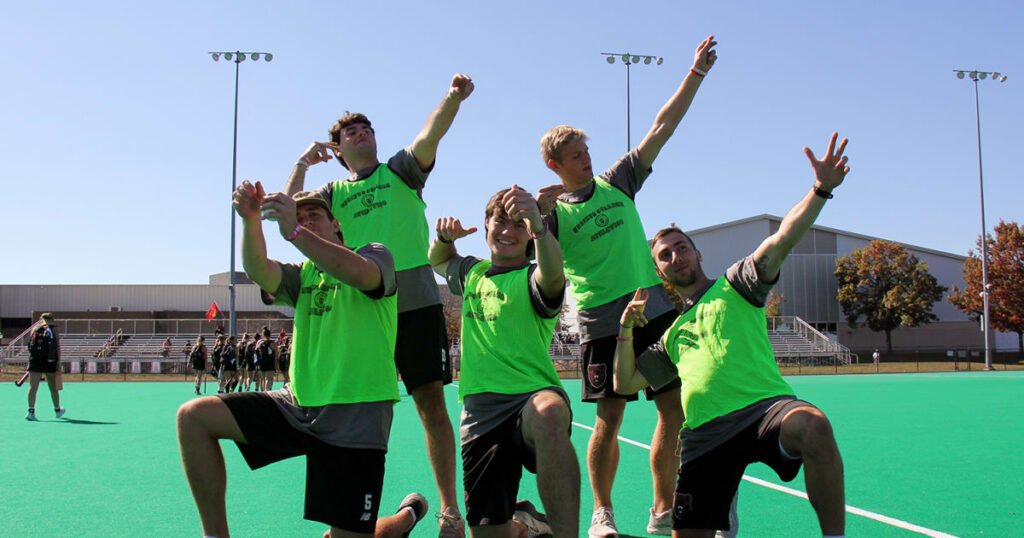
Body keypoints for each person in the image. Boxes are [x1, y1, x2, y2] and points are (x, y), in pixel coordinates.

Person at [614, 133, 851, 537]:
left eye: (681, 247)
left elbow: (783, 238)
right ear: (659, 272)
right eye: (665, 255)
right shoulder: (672, 335)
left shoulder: (738, 284)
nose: (675, 257)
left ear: (697, 252)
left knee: (813, 425)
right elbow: (625, 381)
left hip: (765, 411)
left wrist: (820, 189)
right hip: (705, 436)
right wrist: (623, 330)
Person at [534, 36, 718, 537]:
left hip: (654, 309)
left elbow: (663, 126)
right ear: (555, 164)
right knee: (608, 421)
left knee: (673, 412)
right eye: (573, 156)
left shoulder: (619, 182)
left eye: (585, 151)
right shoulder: (551, 213)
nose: (585, 160)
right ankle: (603, 513)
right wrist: (535, 215)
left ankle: (662, 508)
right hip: (602, 321)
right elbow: (543, 263)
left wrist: (695, 74)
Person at [283, 73, 475, 536]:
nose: (361, 132)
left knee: (432, 405)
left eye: (366, 127)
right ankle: (349, 517)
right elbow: (287, 215)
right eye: (350, 131)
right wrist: (302, 165)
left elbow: (431, 133)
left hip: (414, 304)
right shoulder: (330, 196)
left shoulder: (401, 171)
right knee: (353, 411)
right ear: (337, 147)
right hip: (361, 313)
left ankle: (450, 511)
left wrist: (451, 97)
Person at [176, 186, 427, 537]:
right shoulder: (303, 274)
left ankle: (405, 518)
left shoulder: (374, 254)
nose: (306, 222)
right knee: (194, 417)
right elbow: (259, 269)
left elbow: (361, 276)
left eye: (314, 217)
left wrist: (295, 231)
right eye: (300, 216)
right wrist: (250, 221)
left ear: (337, 225)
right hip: (297, 404)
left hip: (357, 416)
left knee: (347, 534)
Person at [429, 186, 580, 537]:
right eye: (500, 221)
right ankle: (525, 523)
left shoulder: (533, 277)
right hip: (481, 412)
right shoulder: (473, 273)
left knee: (548, 413)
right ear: (486, 224)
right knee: (489, 532)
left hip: (531, 398)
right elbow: (438, 260)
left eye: (519, 224)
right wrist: (443, 238)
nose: (508, 231)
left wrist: (541, 226)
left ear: (529, 233)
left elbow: (554, 275)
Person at [25, 313, 65, 421]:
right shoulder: (53, 329)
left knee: (33, 387)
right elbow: (57, 347)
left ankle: (31, 411)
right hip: (50, 361)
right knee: (53, 388)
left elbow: (30, 345)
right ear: (52, 319)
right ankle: (57, 410)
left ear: (41, 319)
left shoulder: (34, 329)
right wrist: (58, 362)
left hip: (35, 361)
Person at [255, 327, 277, 392]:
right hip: (270, 362)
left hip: (261, 363)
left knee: (263, 379)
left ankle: (263, 391)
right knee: (268, 378)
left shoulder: (259, 342)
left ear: (263, 335)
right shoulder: (272, 343)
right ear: (270, 334)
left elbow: (255, 352)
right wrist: (276, 365)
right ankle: (266, 391)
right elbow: (276, 356)